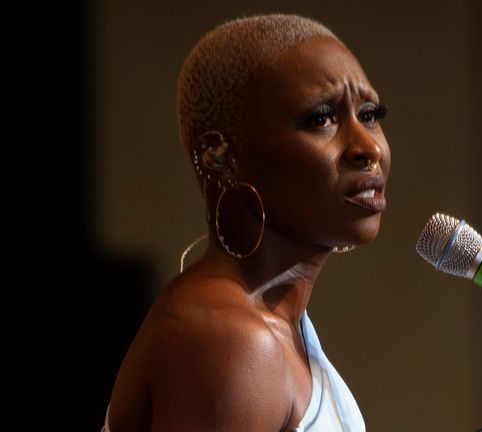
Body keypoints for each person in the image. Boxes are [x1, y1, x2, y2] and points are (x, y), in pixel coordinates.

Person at [103, 14, 390, 432]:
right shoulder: (230, 340)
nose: (367, 148)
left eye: (369, 114)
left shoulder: (267, 325)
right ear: (220, 156)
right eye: (321, 118)